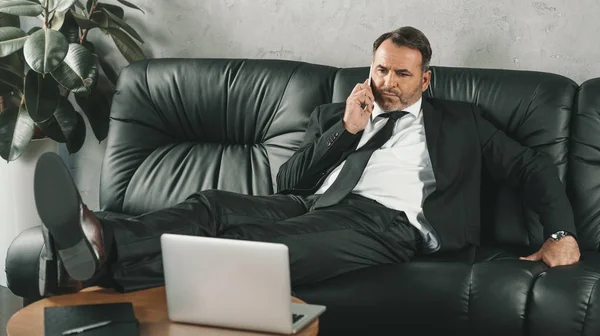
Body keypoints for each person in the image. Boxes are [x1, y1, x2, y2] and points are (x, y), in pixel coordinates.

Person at [33, 26, 581, 295]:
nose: (387, 83)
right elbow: (286, 180)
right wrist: (345, 130)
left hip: (389, 223)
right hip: (311, 202)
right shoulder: (341, 112)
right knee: (212, 206)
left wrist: (561, 232)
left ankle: (101, 268)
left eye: (402, 74)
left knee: (262, 252)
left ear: (426, 79)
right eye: (381, 69)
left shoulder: (462, 123)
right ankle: (100, 240)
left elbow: (532, 166)